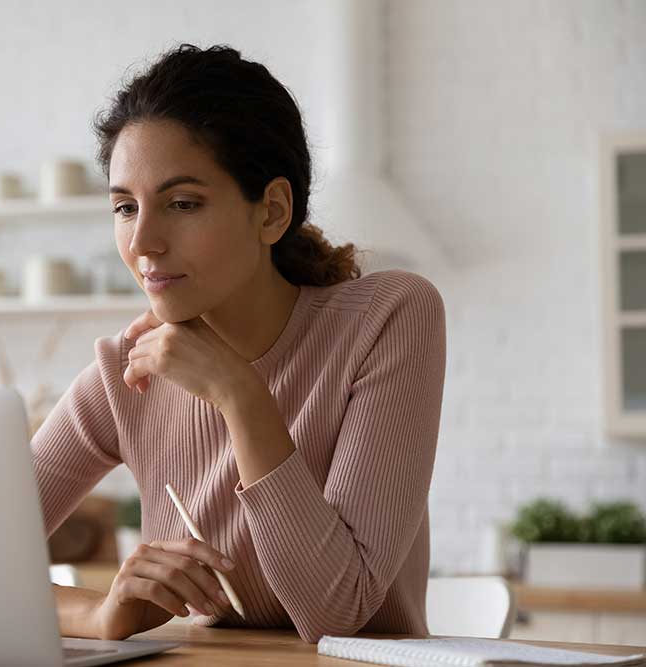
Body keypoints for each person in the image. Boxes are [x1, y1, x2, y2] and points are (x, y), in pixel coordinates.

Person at [30, 43, 446, 644]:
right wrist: (98, 614)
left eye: (182, 203)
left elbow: (338, 614)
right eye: (125, 207)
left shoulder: (386, 319)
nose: (143, 241)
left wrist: (239, 393)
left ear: (271, 211)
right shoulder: (124, 372)